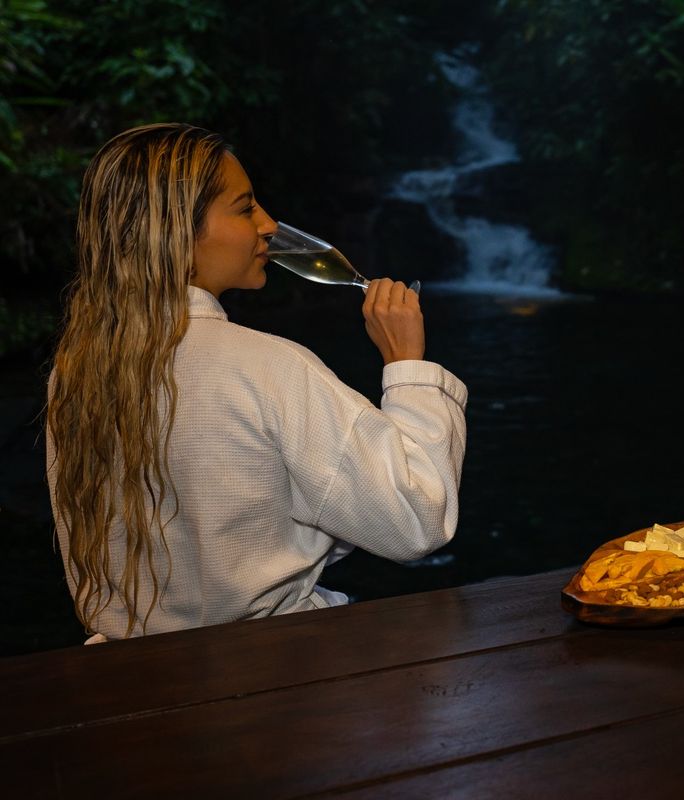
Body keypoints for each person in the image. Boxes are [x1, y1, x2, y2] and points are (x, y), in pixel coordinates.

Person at [46, 123, 468, 640]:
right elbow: (417, 520)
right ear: (179, 233)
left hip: (130, 675)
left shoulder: (76, 374)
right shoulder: (268, 368)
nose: (269, 225)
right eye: (245, 209)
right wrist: (406, 365)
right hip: (268, 667)